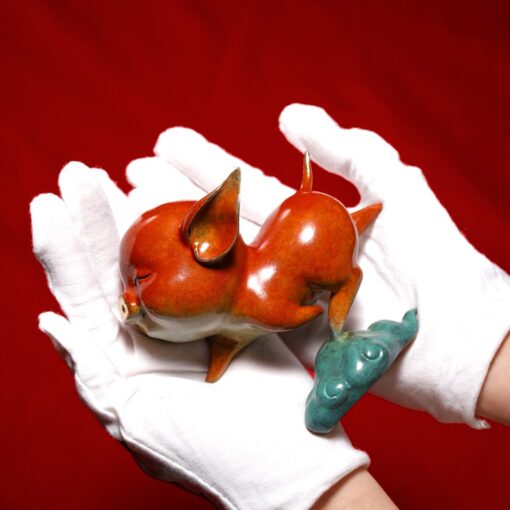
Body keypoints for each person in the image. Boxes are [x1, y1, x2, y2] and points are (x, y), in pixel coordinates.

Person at [30, 104, 510, 509]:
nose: (130, 295)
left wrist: (476, 348)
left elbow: (292, 314)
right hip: (254, 298)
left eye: (142, 280)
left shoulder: (258, 298)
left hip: (315, 242)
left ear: (213, 241)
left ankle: (344, 279)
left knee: (305, 291)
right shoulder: (230, 303)